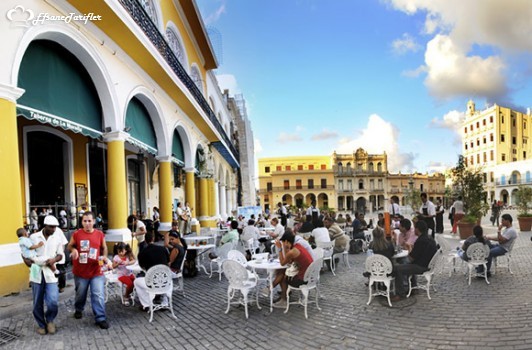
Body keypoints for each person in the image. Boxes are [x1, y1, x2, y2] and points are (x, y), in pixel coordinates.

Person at [22, 215, 66, 335]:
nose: (54, 229)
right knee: (37, 302)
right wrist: (27, 261)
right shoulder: (33, 237)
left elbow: (60, 254)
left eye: (55, 227)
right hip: (37, 272)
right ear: (45, 226)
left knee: (53, 301)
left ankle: (50, 320)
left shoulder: (57, 238)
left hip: (50, 273)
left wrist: (54, 260)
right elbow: (25, 252)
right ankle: (41, 324)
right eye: (51, 227)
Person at [67, 211, 110, 329]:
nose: (87, 223)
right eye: (85, 221)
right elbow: (69, 245)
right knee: (80, 294)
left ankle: (100, 317)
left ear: (94, 221)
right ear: (81, 222)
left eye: (89, 221)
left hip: (96, 270)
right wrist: (73, 250)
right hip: (81, 272)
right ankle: (79, 309)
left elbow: (104, 247)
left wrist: (105, 256)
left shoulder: (100, 234)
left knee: (98, 294)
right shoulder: (76, 234)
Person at [391, 220, 437, 301]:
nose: (414, 230)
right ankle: (414, 288)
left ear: (418, 229)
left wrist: (409, 248)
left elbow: (411, 258)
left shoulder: (420, 241)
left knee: (397, 269)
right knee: (406, 265)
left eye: (415, 228)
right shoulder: (430, 238)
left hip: (422, 266)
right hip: (428, 265)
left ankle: (400, 294)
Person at [270, 231, 313, 309]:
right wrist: (286, 248)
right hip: (309, 276)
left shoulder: (292, 251)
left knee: (283, 277)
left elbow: (283, 263)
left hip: (304, 279)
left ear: (286, 241)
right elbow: (290, 261)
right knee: (282, 272)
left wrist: (280, 249)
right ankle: (273, 289)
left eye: (283, 242)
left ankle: (283, 299)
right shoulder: (297, 246)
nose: (282, 244)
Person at [134, 231, 170, 310]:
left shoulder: (142, 252)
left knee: (136, 281)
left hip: (152, 282)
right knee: (162, 274)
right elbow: (168, 262)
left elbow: (142, 266)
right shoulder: (163, 249)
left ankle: (147, 304)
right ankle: (165, 302)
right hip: (166, 280)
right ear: (153, 238)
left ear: (145, 241)